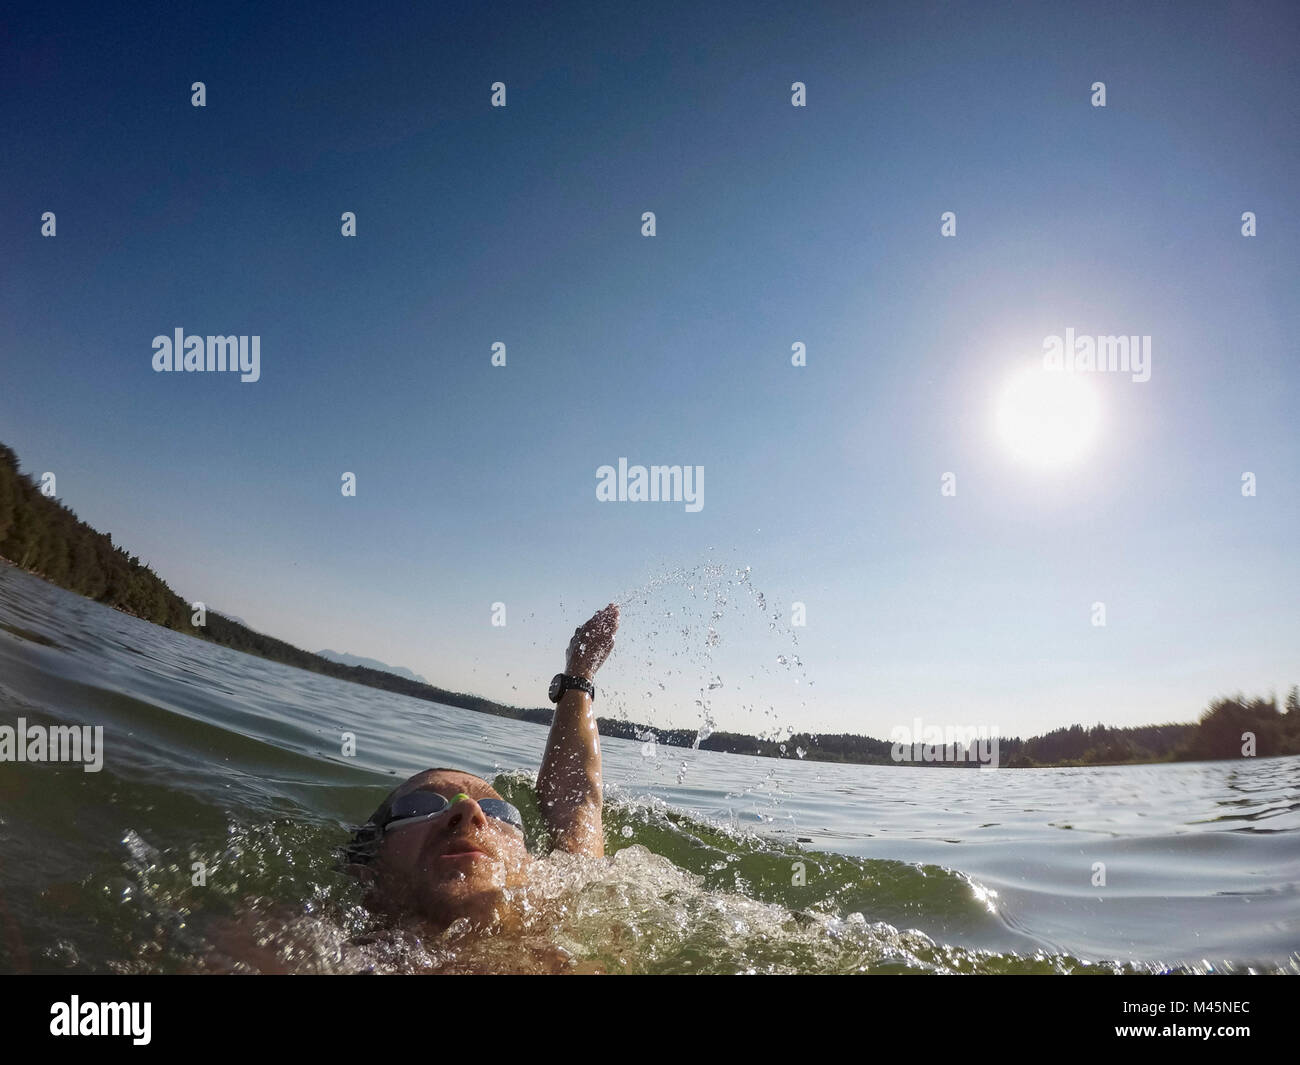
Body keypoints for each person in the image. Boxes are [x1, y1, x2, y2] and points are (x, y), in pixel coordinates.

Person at [341, 602, 620, 940]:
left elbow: (575, 802)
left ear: (533, 867)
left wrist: (579, 674)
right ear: (366, 869)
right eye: (419, 807)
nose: (468, 809)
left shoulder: (570, 904)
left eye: (498, 810)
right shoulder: (301, 949)